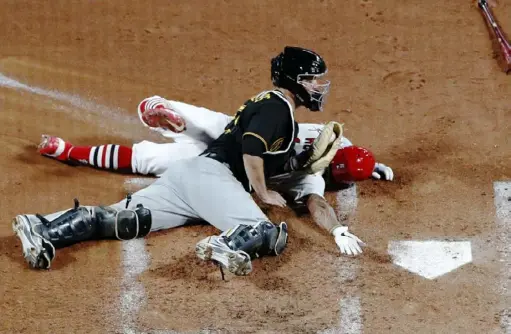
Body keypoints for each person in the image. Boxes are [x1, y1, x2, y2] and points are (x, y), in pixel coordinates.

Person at [14, 46, 357, 276]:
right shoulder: (278, 108)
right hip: (212, 176)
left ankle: (42, 227)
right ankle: (222, 246)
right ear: (294, 81)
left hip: (192, 180)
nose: (317, 86)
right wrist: (263, 193)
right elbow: (251, 148)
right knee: (264, 232)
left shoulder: (271, 108)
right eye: (311, 79)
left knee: (126, 220)